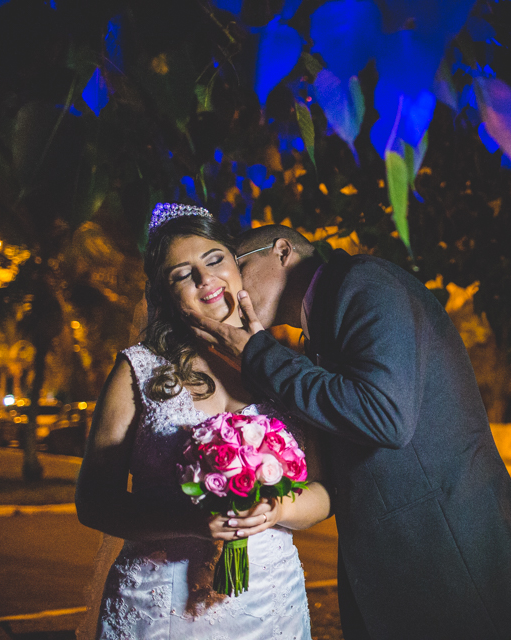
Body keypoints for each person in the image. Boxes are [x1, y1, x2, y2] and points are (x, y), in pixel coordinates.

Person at [187, 225, 511, 640]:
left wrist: (258, 354)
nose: (232, 287)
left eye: (236, 266)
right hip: (410, 567)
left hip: (449, 560)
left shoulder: (363, 283)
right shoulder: (321, 325)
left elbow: (385, 416)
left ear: (282, 251)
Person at [75, 204, 331, 640]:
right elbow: (94, 501)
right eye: (181, 273)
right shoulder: (138, 371)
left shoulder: (289, 371)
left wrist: (276, 508)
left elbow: (326, 493)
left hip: (269, 605)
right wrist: (190, 520)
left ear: (236, 264)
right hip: (159, 609)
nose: (204, 279)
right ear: (164, 293)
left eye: (214, 259)